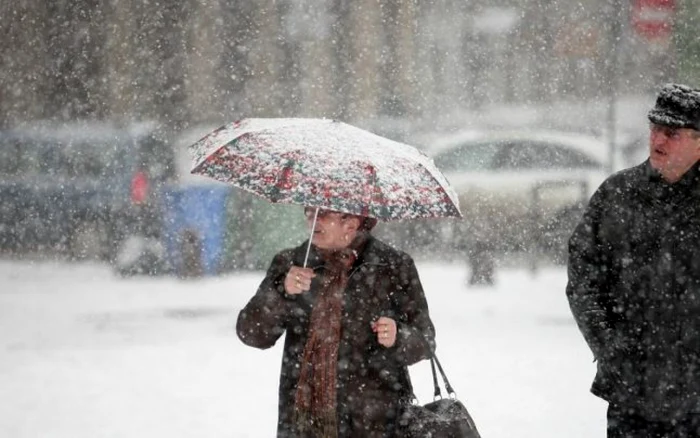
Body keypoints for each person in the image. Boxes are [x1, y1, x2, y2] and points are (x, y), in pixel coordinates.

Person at [566, 83, 700, 437]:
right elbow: (583, 278)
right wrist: (609, 347)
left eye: (672, 132)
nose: (658, 139)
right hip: (633, 394)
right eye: (655, 128)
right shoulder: (617, 196)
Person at [236, 207, 436, 437]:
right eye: (309, 212)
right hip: (305, 423)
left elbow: (426, 341)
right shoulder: (291, 263)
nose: (313, 220)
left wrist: (398, 336)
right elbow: (251, 334)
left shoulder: (393, 266)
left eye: (322, 215)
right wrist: (282, 290)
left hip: (376, 423)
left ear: (351, 223)